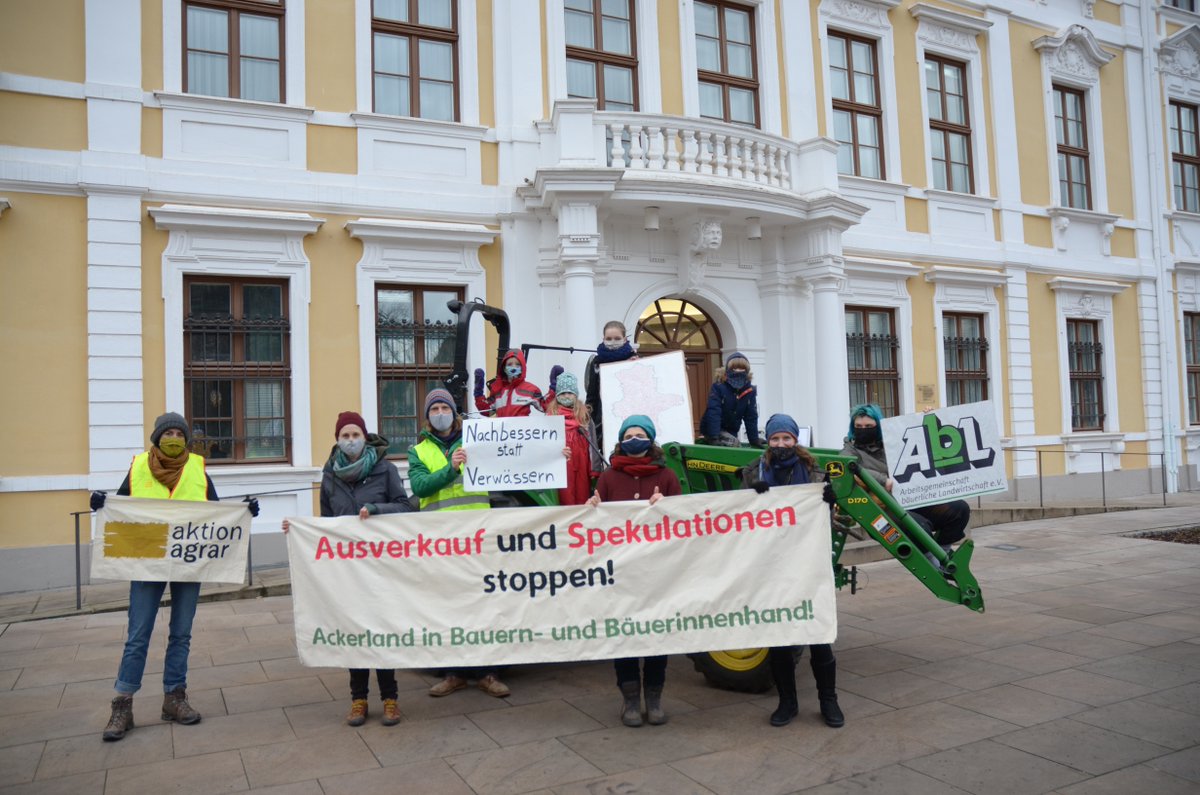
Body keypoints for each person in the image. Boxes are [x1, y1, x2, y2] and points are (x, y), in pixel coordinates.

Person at [90, 412, 258, 742]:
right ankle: (123, 704)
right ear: (156, 438)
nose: (174, 438)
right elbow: (121, 504)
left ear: (186, 439)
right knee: (138, 634)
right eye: (167, 433)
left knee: (181, 632)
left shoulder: (197, 467)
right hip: (147, 557)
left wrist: (245, 512)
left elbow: (216, 512)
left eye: (179, 433)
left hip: (187, 561)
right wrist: (101, 502)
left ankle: (174, 697)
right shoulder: (138, 466)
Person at [740, 413, 843, 728]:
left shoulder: (814, 473)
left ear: (795, 440)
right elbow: (738, 516)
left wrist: (829, 500)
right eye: (775, 439)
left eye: (786, 438)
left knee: (819, 635)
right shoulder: (753, 472)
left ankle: (829, 701)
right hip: (773, 563)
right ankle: (787, 702)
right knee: (780, 636)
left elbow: (832, 514)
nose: (781, 444)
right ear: (768, 442)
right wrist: (750, 496)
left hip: (809, 562)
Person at [409, 389, 512, 698]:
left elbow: (513, 466)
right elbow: (419, 486)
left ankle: (488, 673)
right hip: (441, 542)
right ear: (427, 416)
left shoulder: (476, 440)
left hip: (477, 537)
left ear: (454, 412)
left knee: (483, 605)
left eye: (445, 407)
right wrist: (450, 468)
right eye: (434, 408)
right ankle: (453, 673)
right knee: (448, 607)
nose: (440, 412)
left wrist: (554, 456)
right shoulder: (419, 451)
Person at [586, 415, 682, 727]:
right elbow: (598, 520)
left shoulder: (667, 476)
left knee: (656, 637)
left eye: (640, 434)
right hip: (621, 572)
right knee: (625, 637)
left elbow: (681, 518)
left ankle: (653, 699)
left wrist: (666, 505)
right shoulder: (609, 477)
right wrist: (594, 507)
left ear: (651, 439)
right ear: (620, 440)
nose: (634, 439)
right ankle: (629, 699)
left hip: (657, 573)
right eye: (629, 435)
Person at [841, 404, 969, 562]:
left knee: (959, 509)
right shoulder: (850, 449)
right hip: (883, 508)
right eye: (858, 426)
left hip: (909, 497)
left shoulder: (892, 441)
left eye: (868, 426)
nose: (863, 430)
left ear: (878, 426)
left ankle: (944, 555)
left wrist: (929, 418)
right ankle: (935, 564)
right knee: (919, 527)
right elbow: (847, 466)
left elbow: (922, 443)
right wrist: (883, 480)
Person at [543, 371, 603, 505]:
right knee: (565, 497)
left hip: (582, 462)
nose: (566, 396)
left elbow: (593, 443)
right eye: (563, 393)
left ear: (575, 395)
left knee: (582, 495)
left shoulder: (584, 416)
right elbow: (545, 444)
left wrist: (595, 469)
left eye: (569, 393)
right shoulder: (550, 417)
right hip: (562, 463)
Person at [586, 321, 637, 445]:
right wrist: (588, 422)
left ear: (624, 339)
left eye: (617, 338)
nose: (613, 341)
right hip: (603, 422)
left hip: (631, 420)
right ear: (603, 339)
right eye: (609, 338)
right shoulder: (596, 362)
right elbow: (591, 397)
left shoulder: (635, 359)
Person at [700, 352, 762, 447]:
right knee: (735, 445)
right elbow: (714, 411)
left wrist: (754, 439)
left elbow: (751, 416)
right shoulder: (718, 387)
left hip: (732, 431)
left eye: (742, 368)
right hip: (713, 429)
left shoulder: (750, 391)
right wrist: (713, 437)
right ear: (728, 370)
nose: (738, 371)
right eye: (735, 368)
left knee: (734, 446)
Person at [474, 349, 544, 417]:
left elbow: (546, 407)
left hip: (521, 428)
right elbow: (486, 410)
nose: (513, 367)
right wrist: (478, 392)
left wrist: (553, 389)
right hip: (503, 429)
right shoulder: (498, 391)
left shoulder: (530, 390)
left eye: (517, 364)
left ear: (522, 368)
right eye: (510, 364)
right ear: (504, 368)